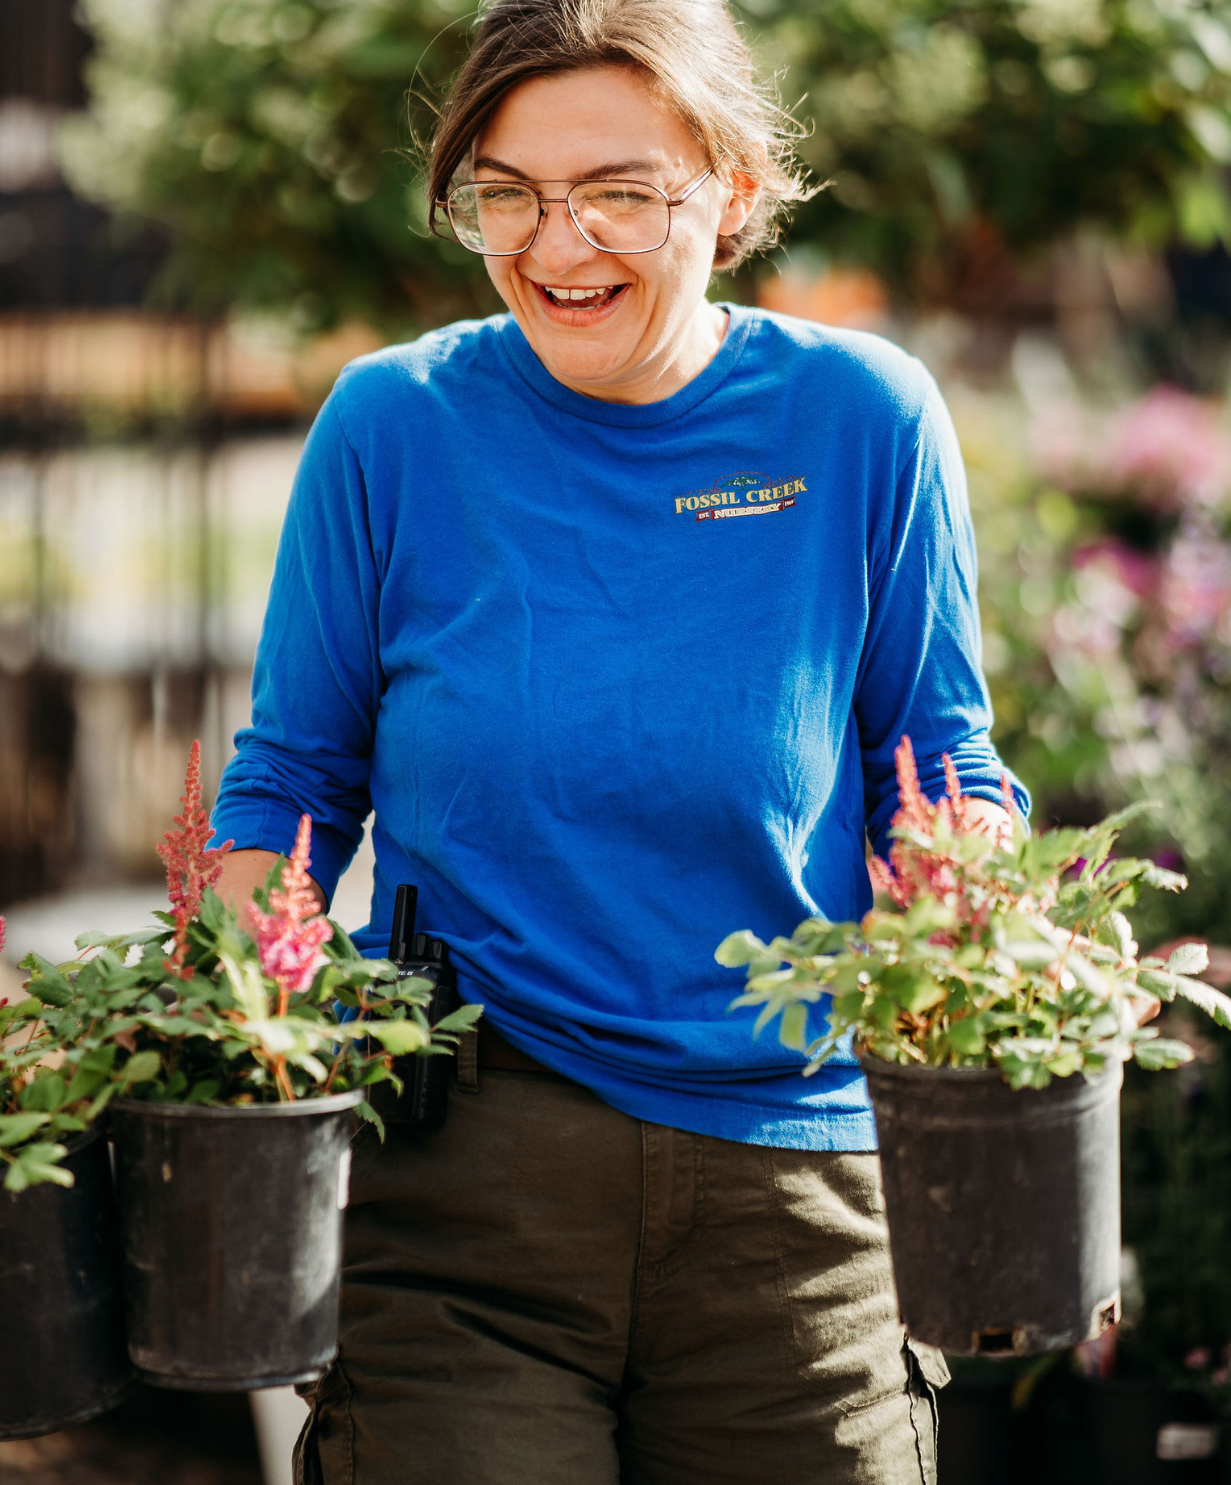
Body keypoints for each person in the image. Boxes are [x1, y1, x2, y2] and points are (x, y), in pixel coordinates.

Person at [210, 0, 1023, 1478]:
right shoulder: (391, 427)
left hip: (800, 1199)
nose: (554, 243)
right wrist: (248, 1006)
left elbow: (943, 766)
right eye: (505, 194)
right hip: (466, 1187)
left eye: (619, 194)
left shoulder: (862, 421)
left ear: (733, 190)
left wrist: (985, 928)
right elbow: (290, 785)